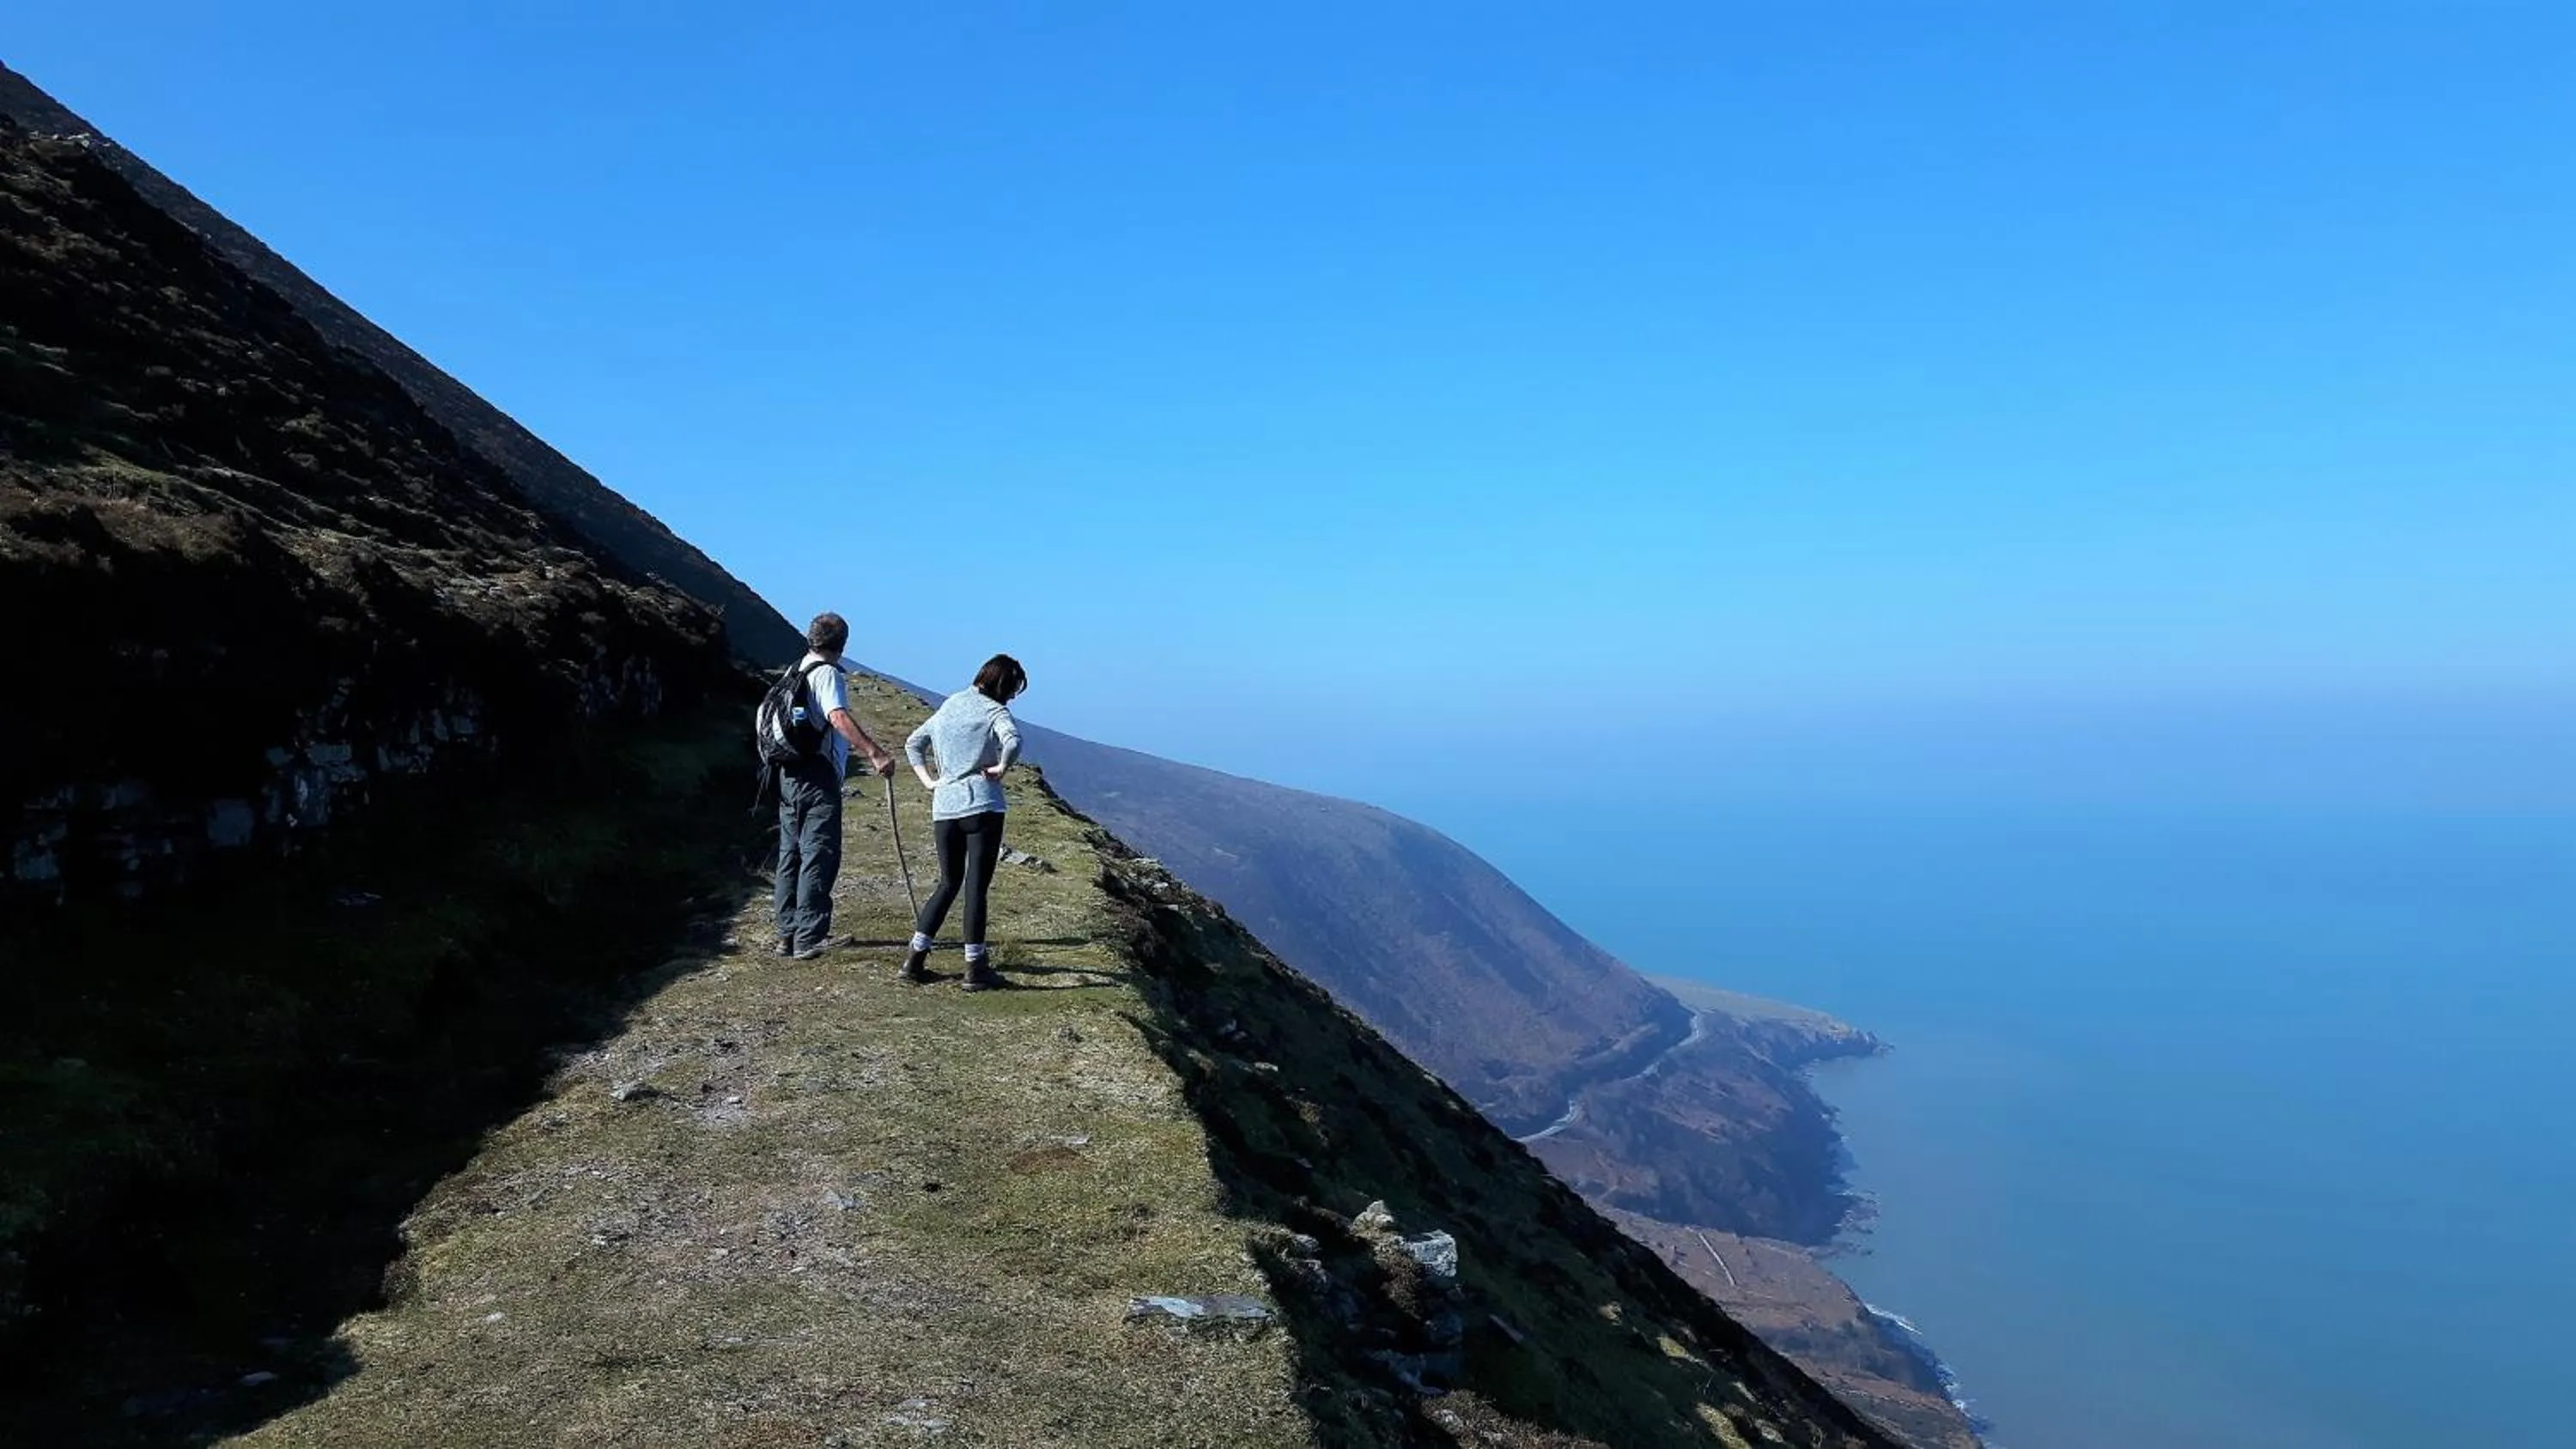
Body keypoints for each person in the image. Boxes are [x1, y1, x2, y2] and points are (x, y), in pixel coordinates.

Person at [900, 654, 1028, 990]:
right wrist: (1001, 769)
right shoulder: (994, 711)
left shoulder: (950, 705)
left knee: (947, 883)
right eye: (1013, 689)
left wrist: (929, 782)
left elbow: (913, 743)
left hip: (945, 807)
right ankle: (974, 967)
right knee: (976, 888)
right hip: (983, 806)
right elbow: (1013, 741)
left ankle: (915, 959)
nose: (1013, 697)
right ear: (1003, 684)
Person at [775, 613, 896, 960]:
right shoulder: (826, 674)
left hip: (788, 772)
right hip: (817, 773)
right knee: (819, 851)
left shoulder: (794, 671)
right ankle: (809, 937)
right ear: (842, 644)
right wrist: (874, 752)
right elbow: (837, 717)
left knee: (791, 853)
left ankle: (787, 934)